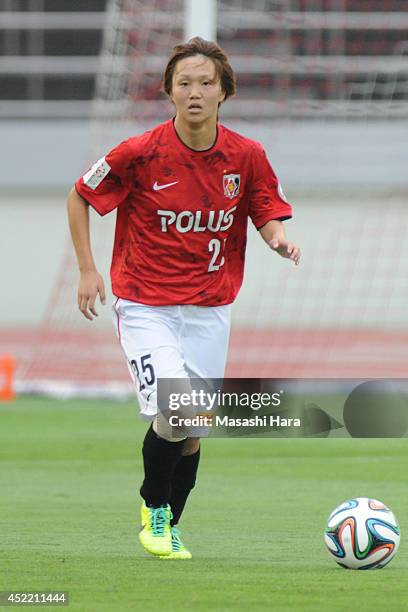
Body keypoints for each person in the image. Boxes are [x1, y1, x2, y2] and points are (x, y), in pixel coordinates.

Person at [67, 37, 301, 560]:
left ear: (224, 92)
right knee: (180, 409)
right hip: (146, 304)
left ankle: (170, 525)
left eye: (206, 83)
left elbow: (265, 206)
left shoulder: (246, 155)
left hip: (211, 310)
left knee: (193, 428)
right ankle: (153, 508)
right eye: (184, 83)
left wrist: (276, 237)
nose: (195, 92)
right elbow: (80, 194)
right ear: (169, 92)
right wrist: (86, 269)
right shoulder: (138, 152)